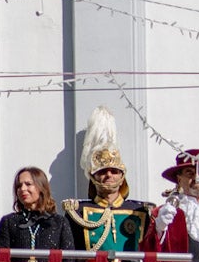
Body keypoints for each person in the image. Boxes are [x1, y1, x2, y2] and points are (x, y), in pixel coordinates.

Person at [62, 107, 151, 252]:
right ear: (93, 176)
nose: (109, 175)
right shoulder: (77, 212)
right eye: (102, 171)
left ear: (122, 177)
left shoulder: (140, 211)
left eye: (114, 171)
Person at [0, 167, 74, 259]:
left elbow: (69, 260)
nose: (23, 189)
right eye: (19, 186)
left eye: (28, 184)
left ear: (41, 187)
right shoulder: (8, 221)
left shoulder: (60, 222)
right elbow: (0, 260)